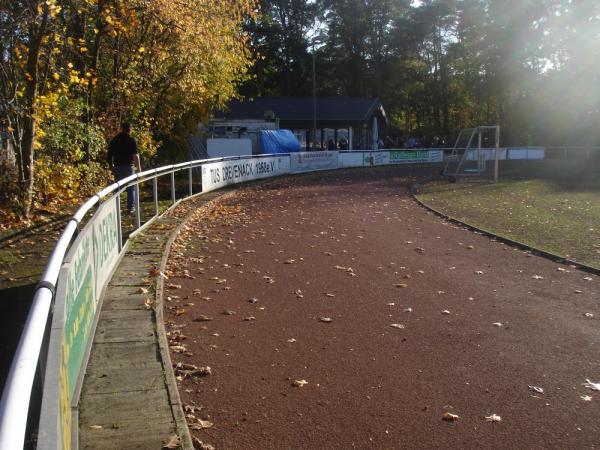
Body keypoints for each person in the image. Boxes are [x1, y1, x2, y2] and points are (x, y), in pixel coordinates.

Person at [108, 122, 141, 213]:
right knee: (131, 187)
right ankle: (130, 208)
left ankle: (115, 208)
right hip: (128, 167)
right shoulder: (131, 140)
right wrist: (139, 168)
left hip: (117, 167)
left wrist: (111, 166)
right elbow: (135, 155)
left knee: (117, 187)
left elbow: (109, 154)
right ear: (130, 129)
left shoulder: (115, 139)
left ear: (122, 128)